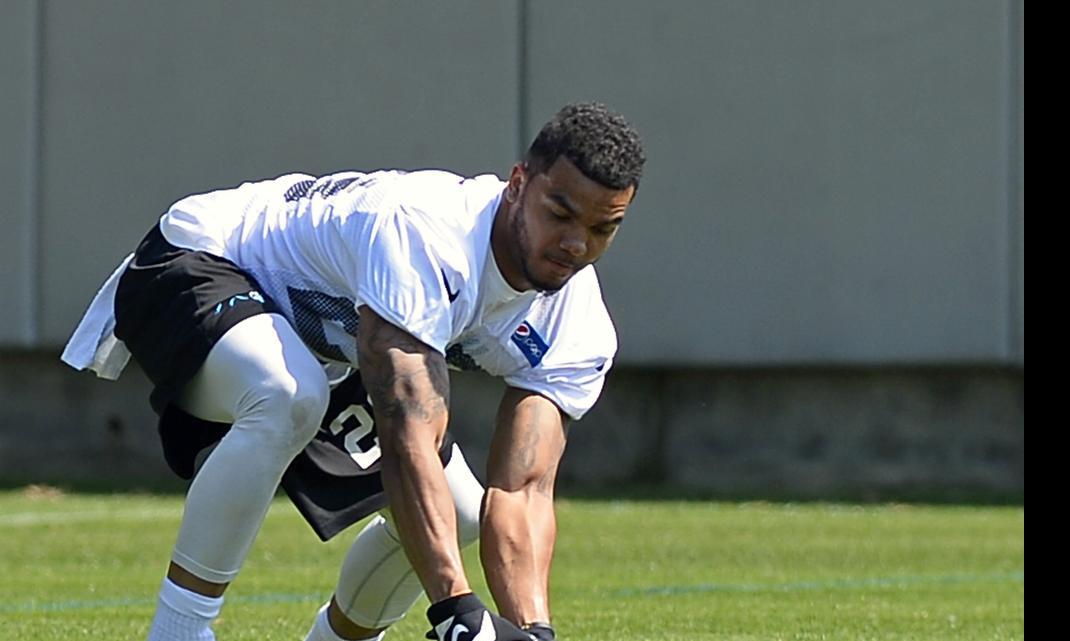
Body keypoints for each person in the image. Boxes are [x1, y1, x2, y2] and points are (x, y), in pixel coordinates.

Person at [61, 101, 645, 641]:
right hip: (202, 260)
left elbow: (519, 491)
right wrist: (457, 613)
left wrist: (533, 632)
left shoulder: (578, 323)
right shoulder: (428, 234)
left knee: (463, 510)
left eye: (602, 229)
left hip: (310, 344)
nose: (575, 245)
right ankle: (179, 630)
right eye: (560, 213)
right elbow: (406, 434)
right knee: (286, 393)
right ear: (518, 185)